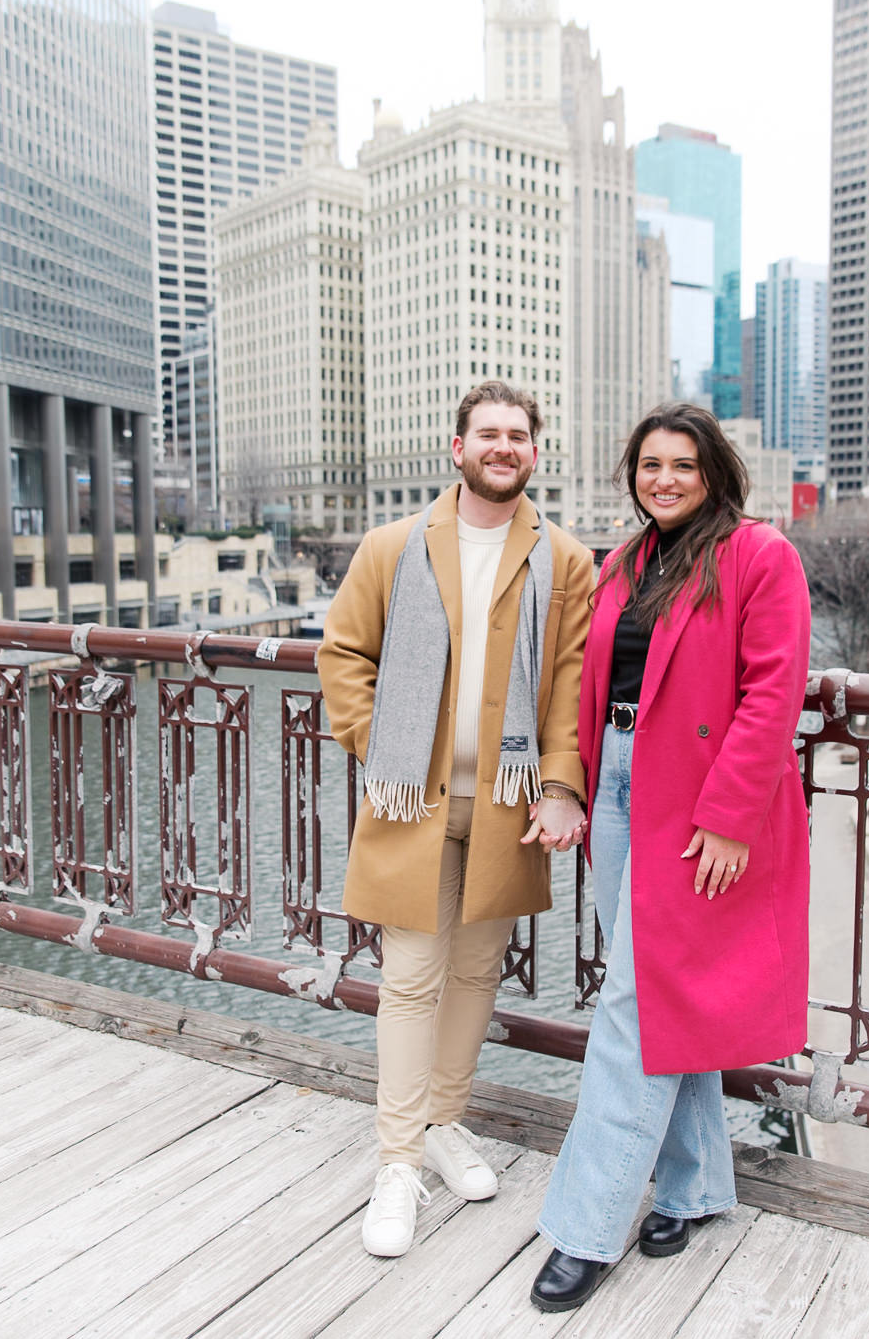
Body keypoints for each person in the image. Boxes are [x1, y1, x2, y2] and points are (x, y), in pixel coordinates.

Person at [530, 402, 812, 1311]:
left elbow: (774, 691)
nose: (664, 478)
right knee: (663, 994)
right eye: (650, 464)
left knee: (635, 1007)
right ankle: (692, 1190)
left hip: (696, 801)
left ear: (714, 471)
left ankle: (586, 1224)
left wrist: (730, 815)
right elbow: (585, 678)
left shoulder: (761, 554)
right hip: (618, 784)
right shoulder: (625, 561)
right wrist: (569, 782)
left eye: (682, 465)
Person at [319, 380, 595, 1258]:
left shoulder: (567, 562)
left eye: (518, 435)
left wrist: (560, 784)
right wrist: (387, 748)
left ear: (534, 453)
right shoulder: (394, 544)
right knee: (410, 977)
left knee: (478, 974)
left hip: (510, 803)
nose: (502, 446)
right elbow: (343, 654)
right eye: (488, 433)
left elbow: (570, 689)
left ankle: (445, 1121)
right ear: (458, 446)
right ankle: (397, 1159)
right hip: (416, 802)